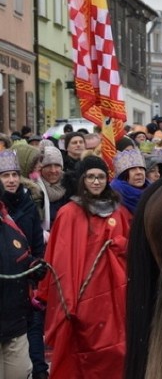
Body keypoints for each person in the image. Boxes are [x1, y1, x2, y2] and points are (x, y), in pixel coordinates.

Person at [38, 154, 133, 378]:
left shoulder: (119, 212)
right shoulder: (69, 213)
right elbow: (60, 261)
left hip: (115, 297)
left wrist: (121, 245)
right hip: (82, 296)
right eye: (90, 177)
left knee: (117, 349)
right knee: (80, 351)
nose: (96, 182)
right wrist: (67, 302)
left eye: (100, 177)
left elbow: (132, 250)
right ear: (82, 180)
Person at [0, 150, 48, 379]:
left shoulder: (29, 205)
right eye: (5, 175)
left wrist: (36, 266)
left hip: (21, 303)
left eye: (14, 174)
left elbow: (34, 248)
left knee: (21, 370)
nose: (11, 180)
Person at [35, 145, 71, 231]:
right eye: (48, 166)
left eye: (57, 165)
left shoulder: (71, 187)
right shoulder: (34, 189)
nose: (53, 170)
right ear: (40, 168)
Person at [111, 147, 150, 215]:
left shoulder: (154, 191)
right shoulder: (114, 195)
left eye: (141, 168)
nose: (139, 172)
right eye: (133, 169)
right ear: (124, 174)